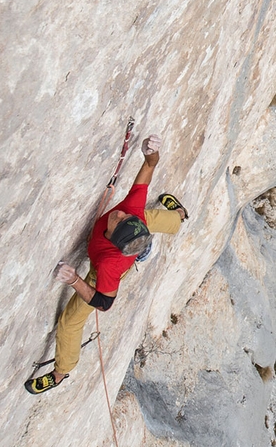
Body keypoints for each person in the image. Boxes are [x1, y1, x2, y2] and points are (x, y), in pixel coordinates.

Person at [24, 134, 188, 395]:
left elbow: (104, 302)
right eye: (122, 215)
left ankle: (60, 372)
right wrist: (151, 152)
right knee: (151, 218)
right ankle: (178, 215)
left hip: (99, 269)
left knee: (69, 322)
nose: (118, 212)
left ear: (114, 239)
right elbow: (149, 166)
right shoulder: (131, 215)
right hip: (139, 229)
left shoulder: (109, 266)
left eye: (117, 220)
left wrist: (74, 280)